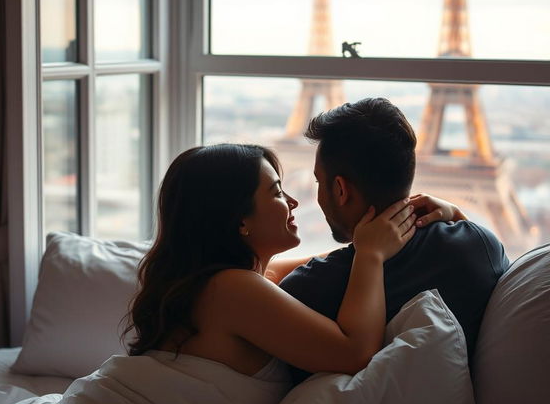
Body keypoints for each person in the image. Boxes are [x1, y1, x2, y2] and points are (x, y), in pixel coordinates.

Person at [124, 142, 451, 383]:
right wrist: (371, 256)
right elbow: (353, 354)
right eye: (277, 192)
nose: (293, 202)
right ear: (240, 220)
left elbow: (349, 254)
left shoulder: (239, 279)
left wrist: (441, 216)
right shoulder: (232, 289)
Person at [269, 98, 510, 384]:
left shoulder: (307, 290)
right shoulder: (482, 247)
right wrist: (457, 217)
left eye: (320, 182)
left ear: (341, 190)